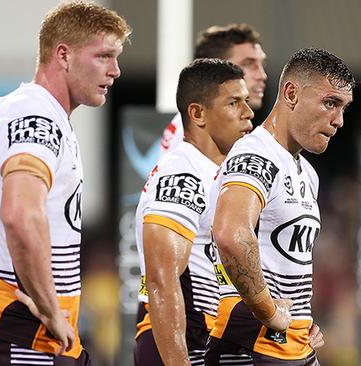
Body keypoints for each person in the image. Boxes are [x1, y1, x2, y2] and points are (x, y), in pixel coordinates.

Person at [0, 2, 131, 365]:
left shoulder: (38, 111)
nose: (115, 70)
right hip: (22, 332)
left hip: (30, 331)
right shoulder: (34, 113)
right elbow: (20, 214)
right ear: (64, 55)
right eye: (104, 56)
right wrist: (52, 310)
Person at [207, 48, 354, 365]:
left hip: (294, 347)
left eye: (343, 108)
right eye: (330, 103)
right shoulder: (257, 154)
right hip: (253, 346)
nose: (339, 120)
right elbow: (231, 234)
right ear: (291, 93)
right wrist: (268, 311)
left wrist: (301, 320)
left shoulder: (307, 173)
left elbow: (283, 261)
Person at [134, 58, 254, 365]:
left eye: (247, 101)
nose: (248, 113)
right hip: (184, 345)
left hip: (208, 341)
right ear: (198, 113)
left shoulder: (219, 174)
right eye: (234, 103)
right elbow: (162, 279)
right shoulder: (182, 173)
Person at [161, 23, 267, 155]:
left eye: (262, 64)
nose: (262, 75)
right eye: (249, 64)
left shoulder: (213, 129)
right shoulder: (188, 137)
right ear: (215, 67)